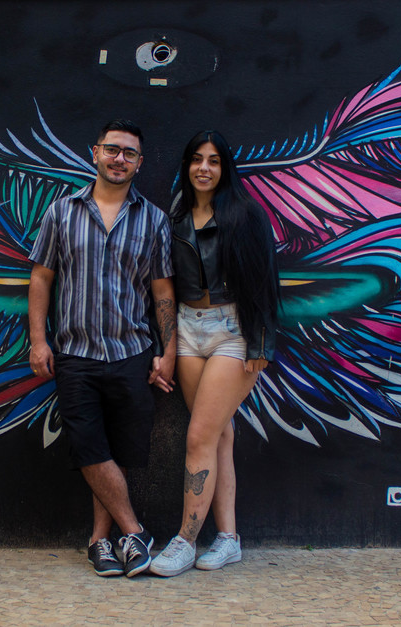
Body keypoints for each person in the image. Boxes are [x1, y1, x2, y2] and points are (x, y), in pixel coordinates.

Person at [27, 119, 177, 578]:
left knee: (119, 452)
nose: (119, 159)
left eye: (129, 153)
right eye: (112, 149)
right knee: (89, 447)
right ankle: (136, 532)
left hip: (131, 352)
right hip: (75, 353)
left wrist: (168, 351)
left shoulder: (153, 219)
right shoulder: (61, 212)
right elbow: (41, 277)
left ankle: (101, 542)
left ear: (140, 163)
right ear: (95, 153)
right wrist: (38, 340)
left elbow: (162, 291)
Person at [149, 130, 279, 577]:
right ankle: (228, 539)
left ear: (225, 168)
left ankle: (184, 541)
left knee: (199, 437)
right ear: (187, 165)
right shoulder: (176, 216)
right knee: (219, 435)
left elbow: (264, 281)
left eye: (214, 161)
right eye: (197, 160)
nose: (204, 168)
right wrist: (167, 346)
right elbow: (164, 288)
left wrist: (261, 343)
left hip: (232, 331)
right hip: (188, 330)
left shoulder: (245, 214)